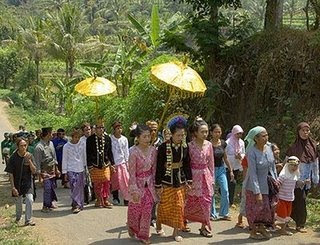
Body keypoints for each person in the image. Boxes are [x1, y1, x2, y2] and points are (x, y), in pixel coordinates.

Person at [155, 116, 192, 242]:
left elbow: (187, 164)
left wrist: (189, 180)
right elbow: (159, 166)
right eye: (178, 135)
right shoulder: (163, 147)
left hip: (180, 180)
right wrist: (158, 184)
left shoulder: (185, 147)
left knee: (179, 206)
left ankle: (176, 231)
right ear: (172, 134)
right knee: (164, 205)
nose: (181, 138)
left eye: (182, 135)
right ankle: (159, 224)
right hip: (166, 180)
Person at [286, 122, 319, 233]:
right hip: (295, 179)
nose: (305, 133)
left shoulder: (313, 145)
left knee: (298, 200)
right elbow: (288, 163)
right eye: (303, 131)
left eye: (307, 130)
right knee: (300, 200)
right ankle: (300, 223)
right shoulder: (293, 147)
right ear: (298, 132)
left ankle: (288, 219)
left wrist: (315, 177)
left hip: (307, 180)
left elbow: (315, 162)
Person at [127, 124, 157, 244]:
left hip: (149, 185)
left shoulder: (153, 150)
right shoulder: (133, 152)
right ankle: (131, 226)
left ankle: (144, 235)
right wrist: (134, 190)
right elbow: (132, 172)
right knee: (135, 210)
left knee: (147, 210)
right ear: (138, 138)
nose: (147, 139)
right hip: (137, 184)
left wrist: (156, 186)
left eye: (148, 136)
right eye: (144, 137)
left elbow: (154, 170)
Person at [244, 126, 276, 240]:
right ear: (256, 138)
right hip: (254, 186)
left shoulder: (268, 148)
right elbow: (253, 173)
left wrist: (275, 182)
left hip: (267, 184)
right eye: (263, 136)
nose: (266, 138)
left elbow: (272, 167)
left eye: (266, 135)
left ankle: (262, 228)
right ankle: (253, 231)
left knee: (266, 208)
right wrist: (257, 192)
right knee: (255, 209)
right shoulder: (252, 152)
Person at [184, 117, 214, 238]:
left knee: (207, 201)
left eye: (206, 131)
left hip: (205, 176)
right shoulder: (189, 146)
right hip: (192, 176)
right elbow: (185, 163)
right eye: (202, 131)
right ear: (195, 133)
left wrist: (212, 179)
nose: (205, 134)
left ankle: (204, 226)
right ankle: (183, 220)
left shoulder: (209, 145)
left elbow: (211, 163)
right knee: (190, 201)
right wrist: (186, 179)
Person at [5, 138, 37, 226]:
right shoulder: (13, 158)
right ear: (18, 147)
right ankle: (18, 217)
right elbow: (10, 173)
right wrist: (13, 188)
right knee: (18, 202)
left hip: (28, 182)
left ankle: (28, 220)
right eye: (21, 146)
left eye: (25, 145)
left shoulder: (30, 155)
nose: (24, 147)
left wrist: (29, 161)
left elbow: (34, 171)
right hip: (17, 182)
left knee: (29, 199)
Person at [86, 119, 114, 208]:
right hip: (94, 165)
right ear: (95, 129)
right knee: (97, 184)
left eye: (102, 128)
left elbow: (110, 152)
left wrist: (112, 164)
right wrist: (89, 165)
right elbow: (88, 153)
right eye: (99, 128)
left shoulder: (107, 138)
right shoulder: (90, 139)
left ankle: (105, 200)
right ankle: (99, 200)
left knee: (106, 182)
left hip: (105, 164)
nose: (101, 129)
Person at [210, 124, 233, 221]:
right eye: (215, 132)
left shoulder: (223, 143)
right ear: (211, 133)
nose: (217, 134)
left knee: (225, 190)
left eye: (219, 132)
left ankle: (224, 213)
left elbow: (225, 158)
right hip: (211, 170)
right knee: (211, 192)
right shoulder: (208, 144)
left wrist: (231, 170)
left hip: (222, 169)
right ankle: (212, 213)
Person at [34, 127, 60, 212]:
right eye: (51, 133)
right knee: (47, 188)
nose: (53, 135)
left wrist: (56, 169)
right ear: (48, 134)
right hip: (44, 171)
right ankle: (45, 206)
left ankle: (50, 202)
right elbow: (37, 163)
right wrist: (39, 177)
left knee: (52, 187)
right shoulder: (39, 147)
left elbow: (54, 157)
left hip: (52, 169)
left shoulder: (51, 144)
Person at [62, 129, 86, 213]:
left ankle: (77, 205)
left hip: (80, 169)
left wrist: (85, 167)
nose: (77, 139)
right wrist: (64, 172)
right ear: (72, 137)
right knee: (74, 187)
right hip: (71, 169)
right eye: (75, 137)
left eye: (78, 137)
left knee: (79, 187)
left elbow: (84, 156)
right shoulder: (66, 146)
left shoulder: (82, 144)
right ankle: (76, 203)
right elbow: (64, 159)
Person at [275, 156, 300, 236]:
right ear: (287, 165)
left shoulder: (295, 176)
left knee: (287, 215)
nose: (294, 167)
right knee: (282, 214)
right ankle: (282, 229)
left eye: (296, 166)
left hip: (290, 198)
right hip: (282, 198)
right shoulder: (283, 176)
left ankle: (281, 228)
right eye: (292, 165)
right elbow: (277, 185)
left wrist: (304, 182)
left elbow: (295, 186)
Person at [110, 121, 130, 205]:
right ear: (114, 130)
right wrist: (111, 163)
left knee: (125, 181)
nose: (119, 130)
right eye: (117, 128)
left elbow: (126, 152)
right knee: (114, 182)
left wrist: (127, 163)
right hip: (114, 163)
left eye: (120, 128)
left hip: (122, 163)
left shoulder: (124, 139)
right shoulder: (110, 139)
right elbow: (109, 151)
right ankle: (115, 198)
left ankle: (126, 199)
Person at [225, 125, 245, 207]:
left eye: (240, 134)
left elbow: (244, 152)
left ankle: (231, 201)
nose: (239, 135)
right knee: (229, 182)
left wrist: (240, 156)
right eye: (237, 134)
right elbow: (225, 155)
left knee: (233, 183)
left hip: (236, 165)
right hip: (228, 166)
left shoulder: (242, 142)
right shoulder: (227, 143)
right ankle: (228, 199)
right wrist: (233, 156)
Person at [80, 123, 94, 204]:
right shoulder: (81, 140)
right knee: (85, 182)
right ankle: (85, 198)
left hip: (93, 163)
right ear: (83, 131)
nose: (88, 131)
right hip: (84, 163)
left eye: (89, 129)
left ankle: (94, 197)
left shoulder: (94, 138)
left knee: (93, 180)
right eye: (86, 130)